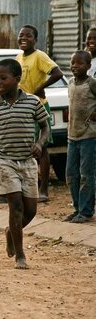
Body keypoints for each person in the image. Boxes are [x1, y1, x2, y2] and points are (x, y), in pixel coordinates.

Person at [0, 59, 49, 270]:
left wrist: (40, 144)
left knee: (30, 210)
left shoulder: (32, 102)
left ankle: (10, 232)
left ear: (17, 79)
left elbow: (45, 127)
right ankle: (20, 255)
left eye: (3, 78)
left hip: (27, 162)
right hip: (4, 161)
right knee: (15, 207)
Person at [15, 24, 64, 203]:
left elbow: (57, 73)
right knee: (25, 148)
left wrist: (40, 88)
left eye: (28, 36)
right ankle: (26, 189)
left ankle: (43, 190)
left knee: (41, 148)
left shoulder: (39, 56)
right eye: (21, 35)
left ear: (35, 39)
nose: (24, 39)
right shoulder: (18, 57)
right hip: (22, 107)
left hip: (38, 106)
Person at [64, 50, 96, 224]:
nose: (75, 66)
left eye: (80, 63)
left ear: (89, 67)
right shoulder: (70, 83)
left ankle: (86, 211)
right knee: (71, 174)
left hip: (89, 136)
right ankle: (77, 208)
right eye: (72, 62)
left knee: (86, 175)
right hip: (72, 136)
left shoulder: (92, 84)